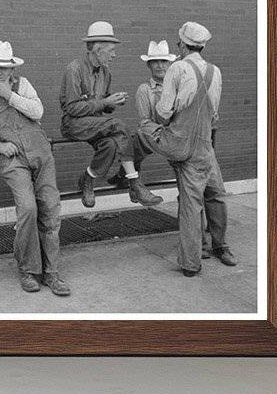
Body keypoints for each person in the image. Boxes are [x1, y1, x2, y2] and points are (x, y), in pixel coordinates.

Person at [0, 40, 70, 297]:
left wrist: (9, 96)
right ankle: (27, 269)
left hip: (41, 154)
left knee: (50, 207)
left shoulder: (23, 86)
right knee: (28, 207)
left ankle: (52, 272)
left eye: (4, 67)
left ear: (13, 69)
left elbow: (38, 111)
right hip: (12, 158)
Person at [136, 22, 235, 277]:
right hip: (205, 144)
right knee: (217, 194)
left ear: (181, 44)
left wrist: (168, 123)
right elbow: (214, 113)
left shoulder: (177, 69)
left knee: (191, 204)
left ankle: (191, 263)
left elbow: (164, 111)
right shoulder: (216, 71)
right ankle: (220, 246)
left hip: (181, 144)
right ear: (203, 45)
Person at [59, 21, 163, 209]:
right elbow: (72, 108)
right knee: (120, 126)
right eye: (111, 51)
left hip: (96, 123)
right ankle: (134, 184)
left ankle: (87, 180)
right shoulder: (74, 69)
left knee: (110, 145)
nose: (114, 55)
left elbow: (102, 106)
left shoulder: (106, 73)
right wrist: (105, 103)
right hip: (73, 124)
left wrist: (112, 102)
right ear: (98, 50)